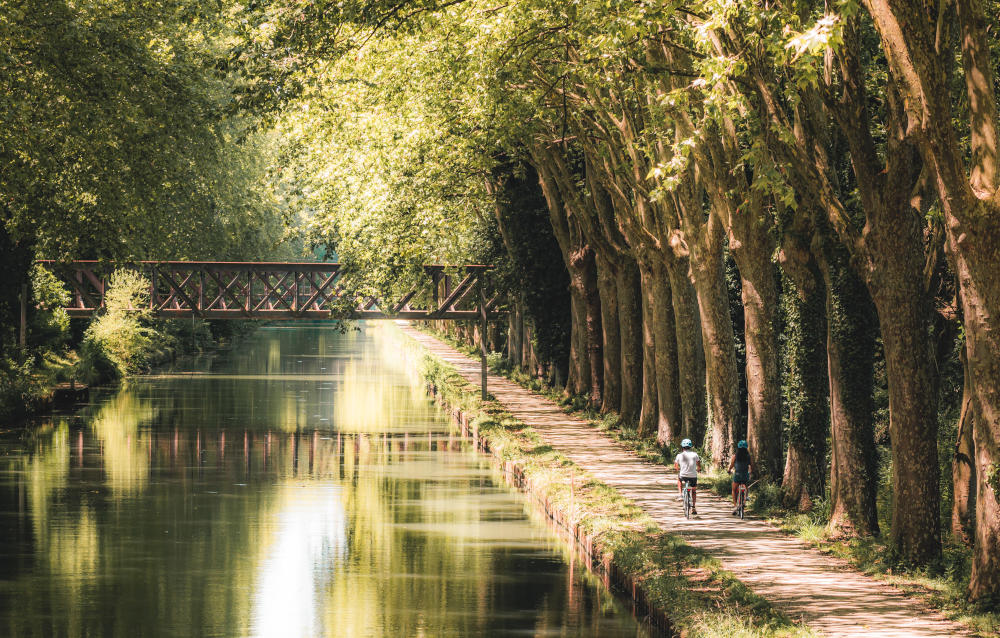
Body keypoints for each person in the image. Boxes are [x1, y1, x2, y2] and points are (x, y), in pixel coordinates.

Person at [674, 438, 702, 515]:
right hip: (693, 476)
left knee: (679, 480)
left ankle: (680, 495)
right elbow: (698, 465)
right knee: (693, 490)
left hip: (683, 475)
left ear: (682, 447)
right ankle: (693, 507)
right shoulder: (695, 454)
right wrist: (699, 469)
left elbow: (676, 466)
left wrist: (677, 469)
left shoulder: (679, 455)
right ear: (690, 447)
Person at [728, 440, 753, 515]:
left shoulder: (735, 456)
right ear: (746, 448)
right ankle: (746, 498)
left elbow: (732, 465)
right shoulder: (748, 456)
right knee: (746, 485)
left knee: (734, 490)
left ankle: (735, 506)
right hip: (745, 475)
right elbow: (750, 466)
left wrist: (729, 470)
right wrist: (750, 472)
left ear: (738, 448)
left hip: (737, 475)